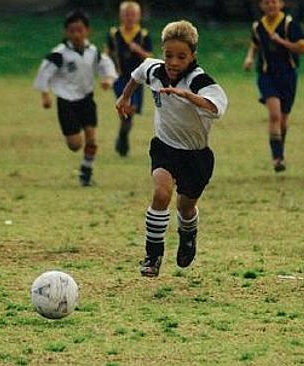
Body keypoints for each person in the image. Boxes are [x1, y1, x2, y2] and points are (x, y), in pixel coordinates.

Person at [116, 20, 228, 277]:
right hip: (165, 147)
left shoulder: (199, 80)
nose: (174, 62)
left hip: (196, 155)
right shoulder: (154, 69)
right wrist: (125, 96)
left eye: (181, 56)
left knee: (185, 207)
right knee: (161, 194)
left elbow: (217, 106)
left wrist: (190, 97)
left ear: (192, 56)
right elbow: (138, 73)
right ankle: (152, 256)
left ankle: (188, 235)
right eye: (169, 55)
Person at [34, 10, 118, 186]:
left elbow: (106, 65)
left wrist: (108, 79)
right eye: (72, 31)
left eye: (80, 30)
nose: (76, 34)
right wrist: (45, 94)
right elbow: (44, 71)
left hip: (86, 99)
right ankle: (80, 158)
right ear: (66, 32)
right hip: (66, 101)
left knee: (92, 138)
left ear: (87, 31)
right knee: (75, 145)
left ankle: (86, 172)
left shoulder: (92, 51)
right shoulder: (60, 54)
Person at [243, 0, 304, 172]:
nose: (270, 5)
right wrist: (249, 58)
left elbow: (302, 48)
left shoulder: (289, 23)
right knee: (274, 115)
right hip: (267, 75)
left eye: (274, 2)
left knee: (283, 121)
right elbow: (255, 44)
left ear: (281, 4)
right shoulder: (258, 26)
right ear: (261, 6)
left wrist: (282, 42)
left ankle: (280, 152)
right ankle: (277, 159)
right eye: (266, 2)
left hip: (288, 76)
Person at [105, 1, 153, 157]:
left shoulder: (143, 35)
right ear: (121, 16)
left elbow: (150, 57)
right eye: (126, 14)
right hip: (120, 78)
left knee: (130, 111)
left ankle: (123, 135)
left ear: (138, 16)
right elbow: (106, 54)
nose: (129, 18)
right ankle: (123, 136)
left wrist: (139, 50)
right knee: (125, 107)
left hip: (137, 80)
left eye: (133, 15)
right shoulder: (114, 34)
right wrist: (106, 74)